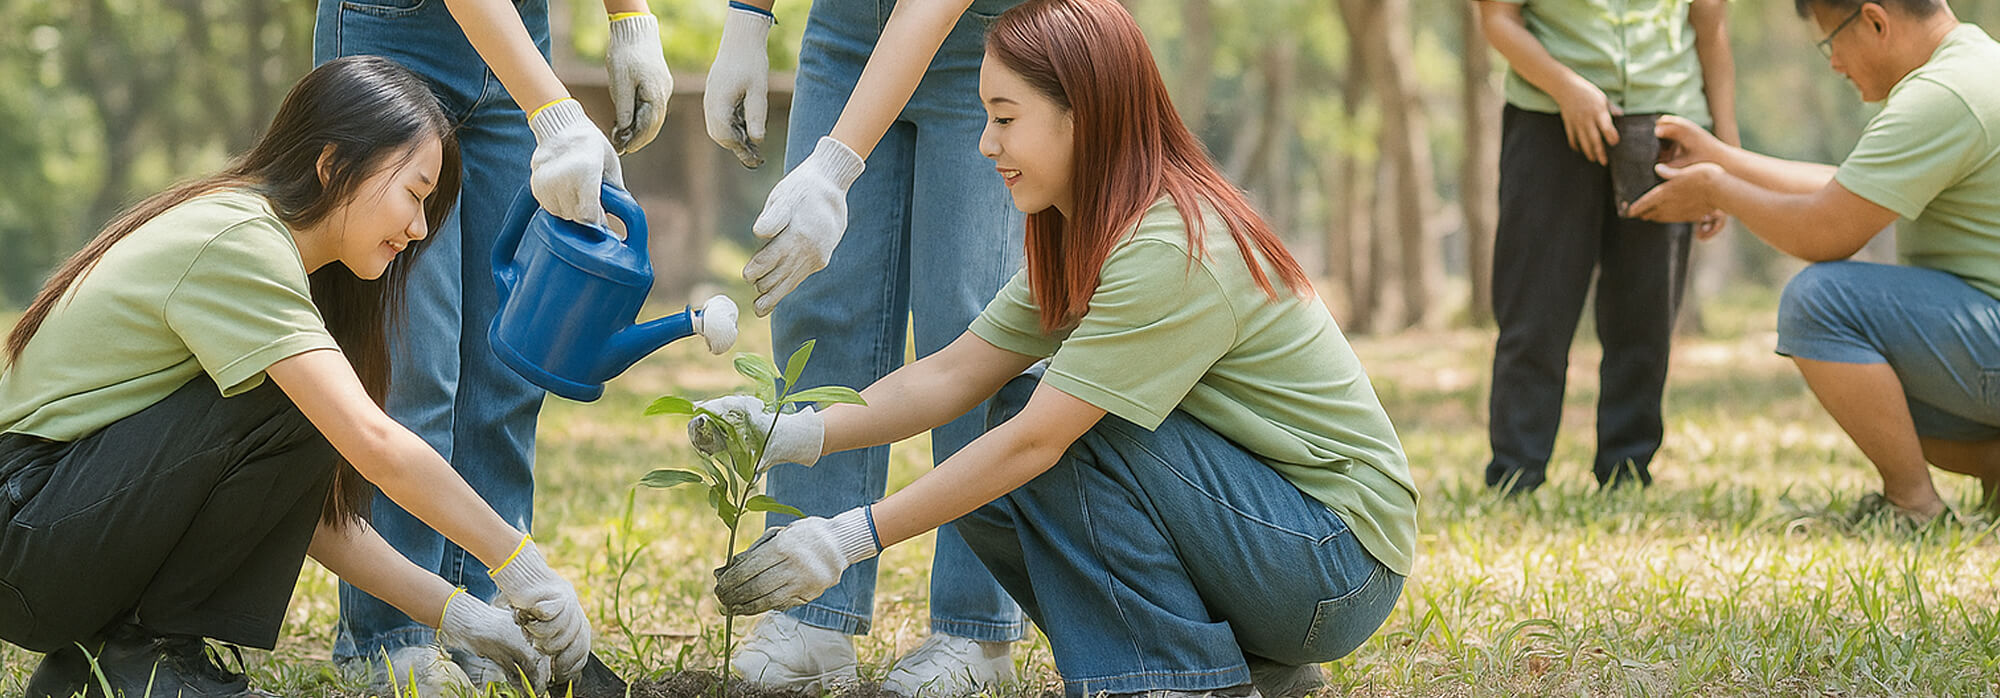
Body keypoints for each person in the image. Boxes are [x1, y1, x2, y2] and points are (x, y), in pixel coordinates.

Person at [689, 1, 1419, 696]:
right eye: (986, 116)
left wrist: (847, 539)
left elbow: (1036, 440)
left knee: (1037, 429)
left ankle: (1177, 675)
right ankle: (1239, 660)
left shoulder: (1168, 248)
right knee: (994, 445)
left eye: (1006, 118)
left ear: (1084, 116)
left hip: (1333, 561)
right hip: (1271, 541)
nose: (986, 143)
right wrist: (794, 434)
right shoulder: (1086, 232)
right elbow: (951, 375)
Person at [0, 56, 590, 698]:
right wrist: (520, 566)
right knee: (315, 411)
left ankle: (110, 664)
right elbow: (373, 442)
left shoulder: (261, 250)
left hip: (48, 535)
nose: (419, 229)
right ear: (332, 165)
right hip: (26, 526)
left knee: (311, 411)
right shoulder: (240, 241)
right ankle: (142, 660)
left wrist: (465, 618)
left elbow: (310, 515)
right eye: (414, 193)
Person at [312, 0, 669, 689]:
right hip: (395, 29)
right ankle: (395, 635)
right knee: (413, 364)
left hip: (518, 35)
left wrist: (630, 18)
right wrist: (555, 114)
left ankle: (487, 619)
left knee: (508, 364)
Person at [701, 0, 1029, 692]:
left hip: (988, 38)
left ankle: (976, 631)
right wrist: (748, 19)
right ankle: (812, 619)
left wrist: (832, 169)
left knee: (971, 320)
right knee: (820, 302)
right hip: (844, 30)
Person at [1630, 0, 2000, 525]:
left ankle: (1913, 507)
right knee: (1869, 376)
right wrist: (1722, 159)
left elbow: (1826, 231)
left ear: (1875, 21)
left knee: (1821, 302)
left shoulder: (1942, 95)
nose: (1835, 63)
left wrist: (1718, 190)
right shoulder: (1972, 66)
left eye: (1831, 42)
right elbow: (1846, 190)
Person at [1475, 0, 1738, 492]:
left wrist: (1726, 152)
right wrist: (1565, 87)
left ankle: (1627, 471)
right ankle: (1515, 474)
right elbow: (1498, 18)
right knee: (1534, 313)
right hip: (1549, 118)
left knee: (1647, 316)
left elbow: (1710, 26)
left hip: (1666, 125)